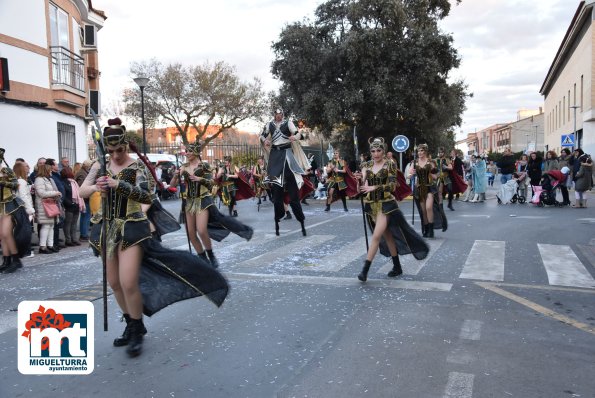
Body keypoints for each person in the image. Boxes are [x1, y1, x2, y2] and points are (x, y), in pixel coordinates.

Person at [80, 118, 229, 358]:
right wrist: (98, 187)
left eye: (120, 150)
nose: (116, 155)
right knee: (115, 283)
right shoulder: (100, 165)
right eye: (111, 151)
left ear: (126, 145)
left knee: (129, 282)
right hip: (106, 228)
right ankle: (132, 324)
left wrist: (118, 184)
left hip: (132, 228)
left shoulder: (137, 166)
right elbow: (82, 190)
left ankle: (137, 328)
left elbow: (147, 197)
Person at [354, 138, 429, 281]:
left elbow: (393, 186)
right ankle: (397, 266)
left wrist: (374, 187)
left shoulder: (390, 164)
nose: (376, 154)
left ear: (383, 150)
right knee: (387, 235)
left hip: (386, 204)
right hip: (372, 205)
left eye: (379, 150)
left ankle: (365, 270)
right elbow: (361, 189)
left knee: (376, 236)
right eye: (373, 151)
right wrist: (358, 180)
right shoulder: (366, 165)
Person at [170, 142, 253, 268]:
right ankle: (202, 258)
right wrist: (176, 176)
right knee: (191, 233)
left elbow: (212, 184)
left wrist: (200, 179)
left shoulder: (204, 166)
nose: (186, 153)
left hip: (203, 200)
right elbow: (172, 185)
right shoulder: (183, 167)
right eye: (186, 151)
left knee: (202, 230)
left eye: (189, 151)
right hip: (189, 202)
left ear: (196, 152)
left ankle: (211, 255)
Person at [260, 108, 309, 236]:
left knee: (294, 194)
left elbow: (298, 133)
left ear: (283, 114)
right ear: (274, 115)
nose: (279, 116)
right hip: (275, 156)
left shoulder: (288, 123)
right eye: (277, 115)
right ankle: (278, 217)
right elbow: (262, 135)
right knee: (277, 194)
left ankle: (300, 219)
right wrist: (265, 140)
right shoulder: (269, 125)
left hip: (287, 154)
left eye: (280, 114)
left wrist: (294, 137)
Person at [0, 150, 29, 273]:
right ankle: (6, 261)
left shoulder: (6, 171)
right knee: (2, 235)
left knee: (6, 233)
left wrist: (2, 181)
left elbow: (15, 184)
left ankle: (16, 260)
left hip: (10, 204)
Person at [410, 144, 447, 237]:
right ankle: (426, 228)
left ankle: (431, 229)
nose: (419, 153)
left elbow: (438, 174)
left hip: (430, 187)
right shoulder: (414, 162)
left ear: (425, 151)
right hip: (419, 188)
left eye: (421, 151)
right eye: (418, 151)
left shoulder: (431, 162)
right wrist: (412, 174)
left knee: (429, 207)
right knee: (423, 211)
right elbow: (409, 175)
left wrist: (432, 174)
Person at [34, 164, 61, 254]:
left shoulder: (47, 179)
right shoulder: (39, 179)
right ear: (45, 170)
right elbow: (41, 193)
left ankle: (50, 245)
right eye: (49, 170)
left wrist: (55, 194)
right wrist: (55, 193)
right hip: (44, 206)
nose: (51, 171)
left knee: (51, 226)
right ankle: (43, 247)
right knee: (46, 226)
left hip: (50, 205)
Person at [60, 167, 84, 246]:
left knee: (74, 224)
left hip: (76, 205)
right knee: (68, 224)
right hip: (69, 206)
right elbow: (64, 195)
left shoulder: (74, 182)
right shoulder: (63, 183)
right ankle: (68, 240)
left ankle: (74, 239)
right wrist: (70, 203)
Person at [45, 158, 65, 251]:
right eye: (56, 164)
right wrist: (57, 195)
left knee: (56, 225)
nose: (58, 166)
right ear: (51, 166)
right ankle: (53, 244)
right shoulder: (51, 177)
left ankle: (55, 243)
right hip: (53, 203)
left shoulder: (57, 175)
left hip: (58, 202)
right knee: (53, 226)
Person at [75, 160, 93, 240]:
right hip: (85, 197)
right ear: (87, 165)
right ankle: (84, 234)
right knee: (86, 216)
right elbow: (82, 185)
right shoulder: (82, 173)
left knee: (85, 216)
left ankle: (84, 233)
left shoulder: (83, 172)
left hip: (85, 197)